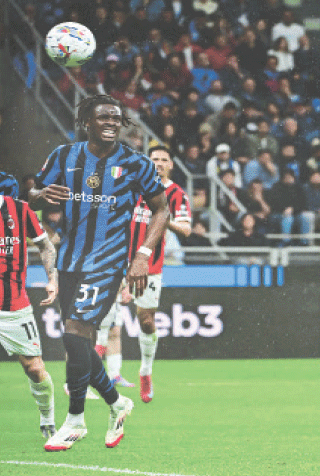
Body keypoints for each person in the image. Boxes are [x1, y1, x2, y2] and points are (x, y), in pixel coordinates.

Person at [29, 95, 169, 451]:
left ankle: (75, 420)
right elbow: (31, 192)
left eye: (116, 118)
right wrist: (41, 193)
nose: (111, 121)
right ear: (86, 122)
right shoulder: (65, 155)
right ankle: (117, 403)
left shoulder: (136, 163)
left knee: (75, 333)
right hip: (70, 260)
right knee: (79, 343)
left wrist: (142, 255)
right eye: (103, 116)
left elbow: (161, 210)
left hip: (108, 262)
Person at [95, 146, 192, 403]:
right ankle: (91, 375)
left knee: (146, 320)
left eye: (163, 159)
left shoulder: (176, 194)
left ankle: (145, 371)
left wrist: (163, 218)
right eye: (154, 159)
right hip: (117, 260)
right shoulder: (132, 185)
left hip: (150, 263)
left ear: (171, 164)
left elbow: (186, 230)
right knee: (102, 316)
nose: (158, 163)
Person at [0, 174, 59, 439]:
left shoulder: (20, 211)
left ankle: (47, 419)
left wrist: (52, 278)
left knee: (34, 368)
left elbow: (46, 246)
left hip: (13, 305)